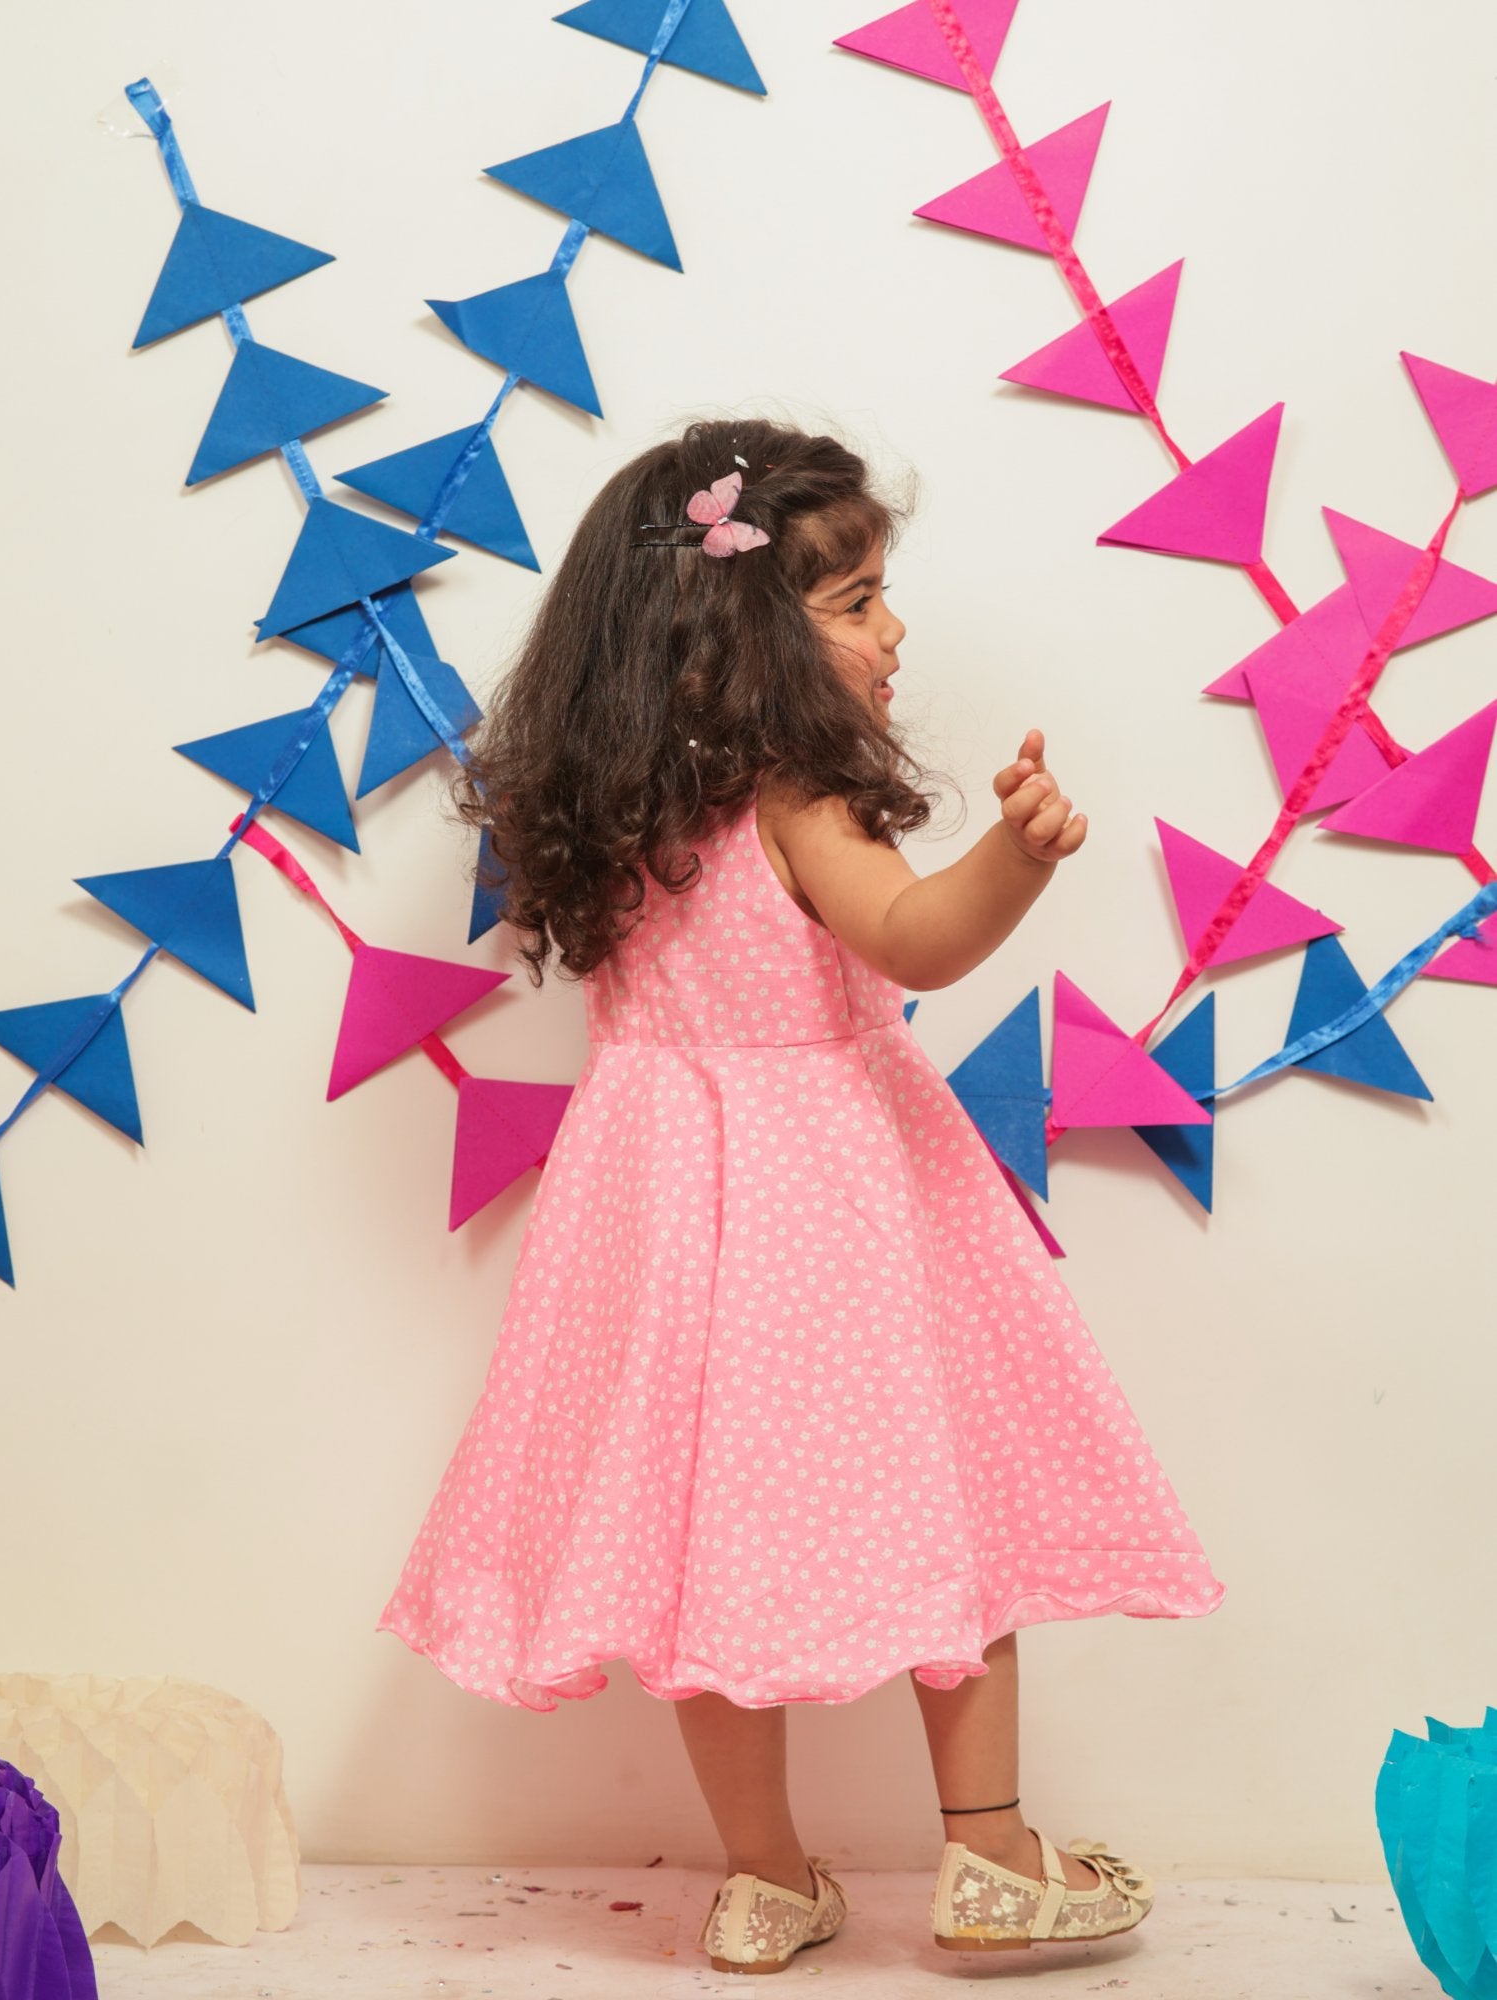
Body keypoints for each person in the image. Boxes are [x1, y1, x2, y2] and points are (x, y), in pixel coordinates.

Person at [376, 416, 1225, 1972]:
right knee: (946, 1508)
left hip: (658, 1223)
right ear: (740, 633)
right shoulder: (794, 801)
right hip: (834, 1204)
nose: (896, 634)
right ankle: (992, 1857)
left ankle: (765, 1880)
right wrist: (1017, 858)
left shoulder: (614, 823)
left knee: (697, 1561)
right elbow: (912, 936)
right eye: (858, 602)